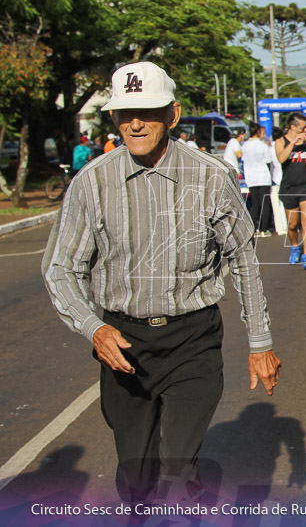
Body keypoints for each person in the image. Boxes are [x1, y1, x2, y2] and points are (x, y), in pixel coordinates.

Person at [41, 61, 282, 505]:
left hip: (193, 340)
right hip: (122, 341)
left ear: (172, 115)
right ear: (113, 118)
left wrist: (260, 343)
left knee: (177, 470)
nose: (135, 123)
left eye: (148, 111)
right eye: (124, 112)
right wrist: (94, 327)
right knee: (136, 475)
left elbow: (243, 258)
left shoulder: (212, 176)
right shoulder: (91, 183)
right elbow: (61, 268)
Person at [275, 112, 306, 270]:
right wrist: (294, 142)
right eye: (303, 128)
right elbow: (281, 159)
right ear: (293, 127)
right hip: (289, 187)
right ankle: (295, 247)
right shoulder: (281, 141)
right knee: (292, 225)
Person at [242, 123, 275, 237]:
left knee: (255, 204)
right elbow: (268, 161)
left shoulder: (244, 145)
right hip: (263, 177)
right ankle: (263, 228)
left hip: (251, 178)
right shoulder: (263, 146)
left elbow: (243, 160)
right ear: (258, 132)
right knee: (265, 204)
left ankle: (254, 228)